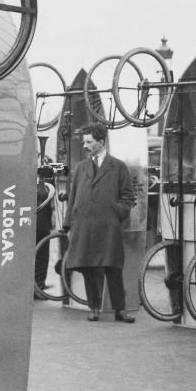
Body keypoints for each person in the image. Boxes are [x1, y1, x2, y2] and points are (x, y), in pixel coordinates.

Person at [62, 123, 137, 323]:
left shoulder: (118, 166)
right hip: (84, 225)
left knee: (112, 268)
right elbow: (73, 197)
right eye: (84, 141)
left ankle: (120, 310)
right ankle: (94, 308)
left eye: (89, 141)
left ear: (101, 142)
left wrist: (117, 212)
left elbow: (128, 196)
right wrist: (68, 225)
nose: (85, 145)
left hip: (108, 225)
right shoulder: (81, 168)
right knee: (88, 268)